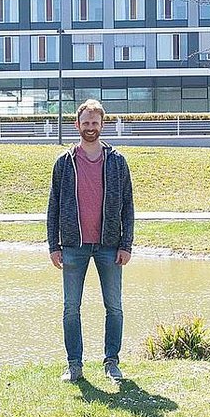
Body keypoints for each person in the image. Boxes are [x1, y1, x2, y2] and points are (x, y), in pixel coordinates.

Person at [47, 98, 135, 384]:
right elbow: (54, 206)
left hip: (110, 245)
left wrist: (126, 244)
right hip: (73, 246)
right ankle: (74, 365)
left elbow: (128, 206)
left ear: (102, 125)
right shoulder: (64, 162)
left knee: (114, 307)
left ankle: (111, 362)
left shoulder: (117, 161)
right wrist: (54, 245)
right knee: (71, 308)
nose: (90, 127)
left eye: (95, 123)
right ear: (77, 125)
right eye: (85, 123)